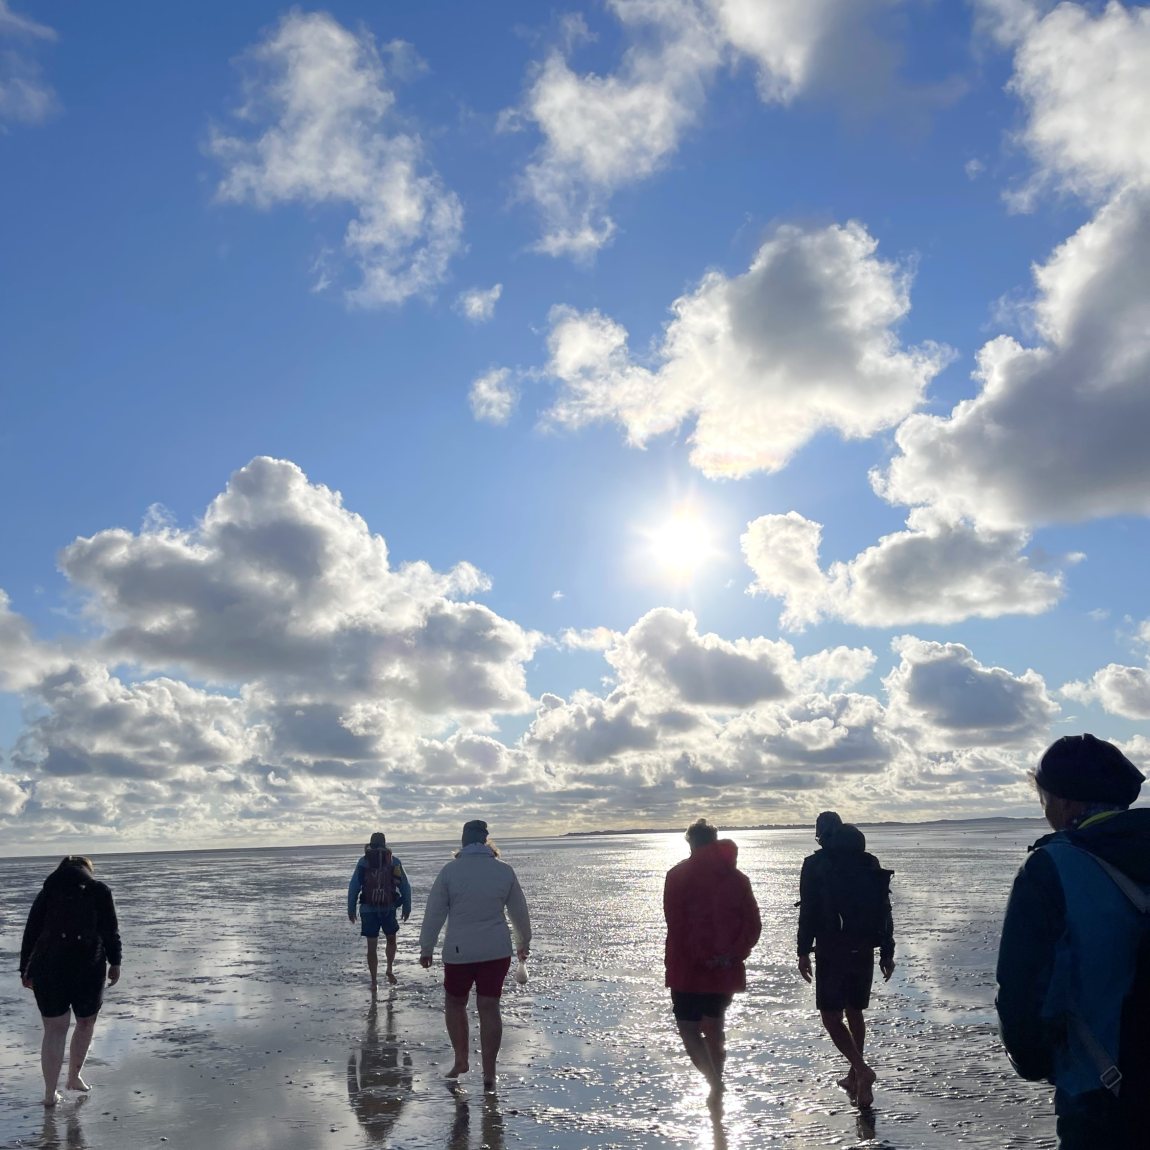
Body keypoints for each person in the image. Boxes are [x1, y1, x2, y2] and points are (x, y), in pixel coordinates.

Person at [996, 733, 1150, 1149]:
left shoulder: (1053, 867)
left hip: (1101, 1085)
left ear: (1064, 803)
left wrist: (1036, 1062)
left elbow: (1022, 990)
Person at [419, 820, 531, 1091]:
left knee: (456, 1003)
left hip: (459, 952)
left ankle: (461, 1061)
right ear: (486, 842)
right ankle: (489, 1073)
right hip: (496, 950)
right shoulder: (504, 871)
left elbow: (434, 913)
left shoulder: (450, 871)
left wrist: (426, 948)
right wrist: (523, 942)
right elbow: (519, 912)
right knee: (489, 1007)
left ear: (463, 841)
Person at [796, 815, 895, 1108]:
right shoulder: (869, 863)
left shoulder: (814, 865)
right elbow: (884, 909)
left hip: (831, 949)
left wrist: (803, 951)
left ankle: (862, 1071)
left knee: (830, 1017)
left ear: (821, 835)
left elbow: (808, 912)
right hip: (863, 947)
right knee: (855, 1011)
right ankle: (854, 1076)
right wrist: (887, 951)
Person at [663, 818, 761, 1109]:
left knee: (689, 1029)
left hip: (689, 969)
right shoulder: (738, 878)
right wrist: (733, 954)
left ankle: (715, 1083)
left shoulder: (677, 875)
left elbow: (677, 924)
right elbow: (753, 924)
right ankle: (717, 1081)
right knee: (715, 1028)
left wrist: (702, 957)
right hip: (724, 968)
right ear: (715, 841)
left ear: (691, 843)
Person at [19, 855, 122, 1107]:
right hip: (88, 966)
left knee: (54, 1030)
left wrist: (25, 970)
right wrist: (115, 961)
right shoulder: (99, 891)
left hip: (49, 967)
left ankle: (49, 1093)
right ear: (88, 870)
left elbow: (31, 933)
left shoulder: (47, 892)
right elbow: (110, 929)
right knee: (85, 1022)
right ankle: (74, 1077)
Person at [348, 832, 413, 990]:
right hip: (388, 908)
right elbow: (404, 885)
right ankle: (389, 968)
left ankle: (373, 981)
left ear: (370, 844)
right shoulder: (393, 861)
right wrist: (406, 905)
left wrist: (351, 908)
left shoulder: (363, 862)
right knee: (391, 940)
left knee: (372, 946)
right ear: (385, 844)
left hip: (368, 910)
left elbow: (354, 887)